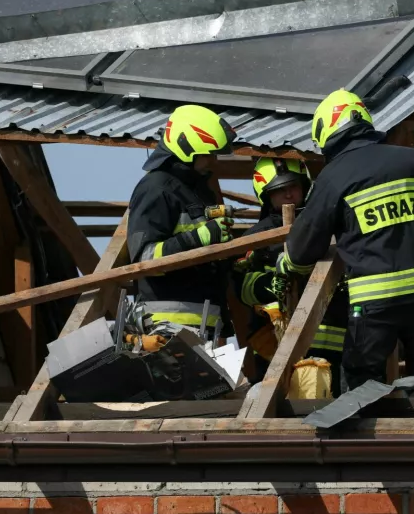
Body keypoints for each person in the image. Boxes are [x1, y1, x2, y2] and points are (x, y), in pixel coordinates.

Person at [275, 89, 414, 393]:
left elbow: (303, 248)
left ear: (328, 131)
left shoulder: (334, 176)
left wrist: (287, 264)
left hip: (373, 305)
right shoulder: (409, 158)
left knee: (361, 392)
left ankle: (366, 442)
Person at [232, 158, 349, 396]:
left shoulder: (329, 227)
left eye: (293, 187)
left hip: (335, 344)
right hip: (277, 349)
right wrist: (272, 285)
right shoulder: (257, 237)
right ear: (266, 195)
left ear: (305, 187)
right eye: (279, 190)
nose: (288, 195)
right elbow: (242, 288)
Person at [125, 104, 237, 339]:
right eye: (208, 154)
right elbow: (145, 260)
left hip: (207, 325)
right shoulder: (156, 189)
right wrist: (200, 237)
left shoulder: (198, 190)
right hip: (166, 328)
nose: (213, 161)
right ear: (187, 148)